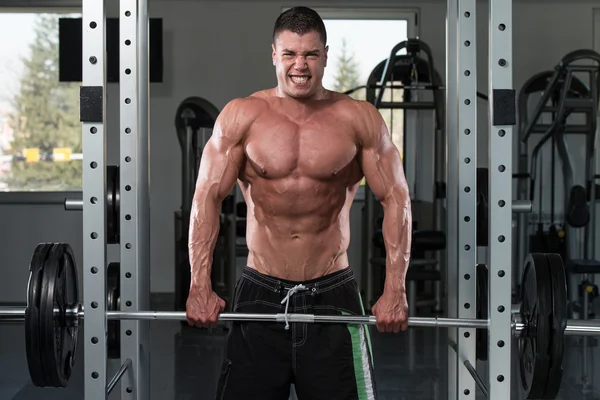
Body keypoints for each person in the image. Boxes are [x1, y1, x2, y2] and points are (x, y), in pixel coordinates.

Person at [186, 6, 411, 400]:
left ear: (326, 54)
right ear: (273, 54)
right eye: (290, 54)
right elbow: (206, 198)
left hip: (333, 294)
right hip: (259, 293)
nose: (300, 65)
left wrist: (396, 288)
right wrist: (198, 284)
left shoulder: (359, 119)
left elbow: (396, 199)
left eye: (310, 54)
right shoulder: (242, 116)